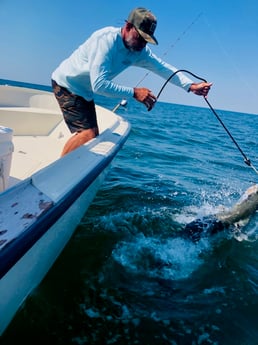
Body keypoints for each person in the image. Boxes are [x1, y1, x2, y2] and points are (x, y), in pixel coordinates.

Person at [51, 7, 212, 156]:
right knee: (88, 134)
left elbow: (163, 68)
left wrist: (191, 86)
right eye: (140, 38)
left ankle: (69, 166)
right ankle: (58, 172)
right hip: (67, 84)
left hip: (84, 91)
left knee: (92, 134)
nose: (143, 44)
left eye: (146, 40)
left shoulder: (139, 51)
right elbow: (99, 85)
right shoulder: (105, 40)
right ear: (128, 27)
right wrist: (134, 93)